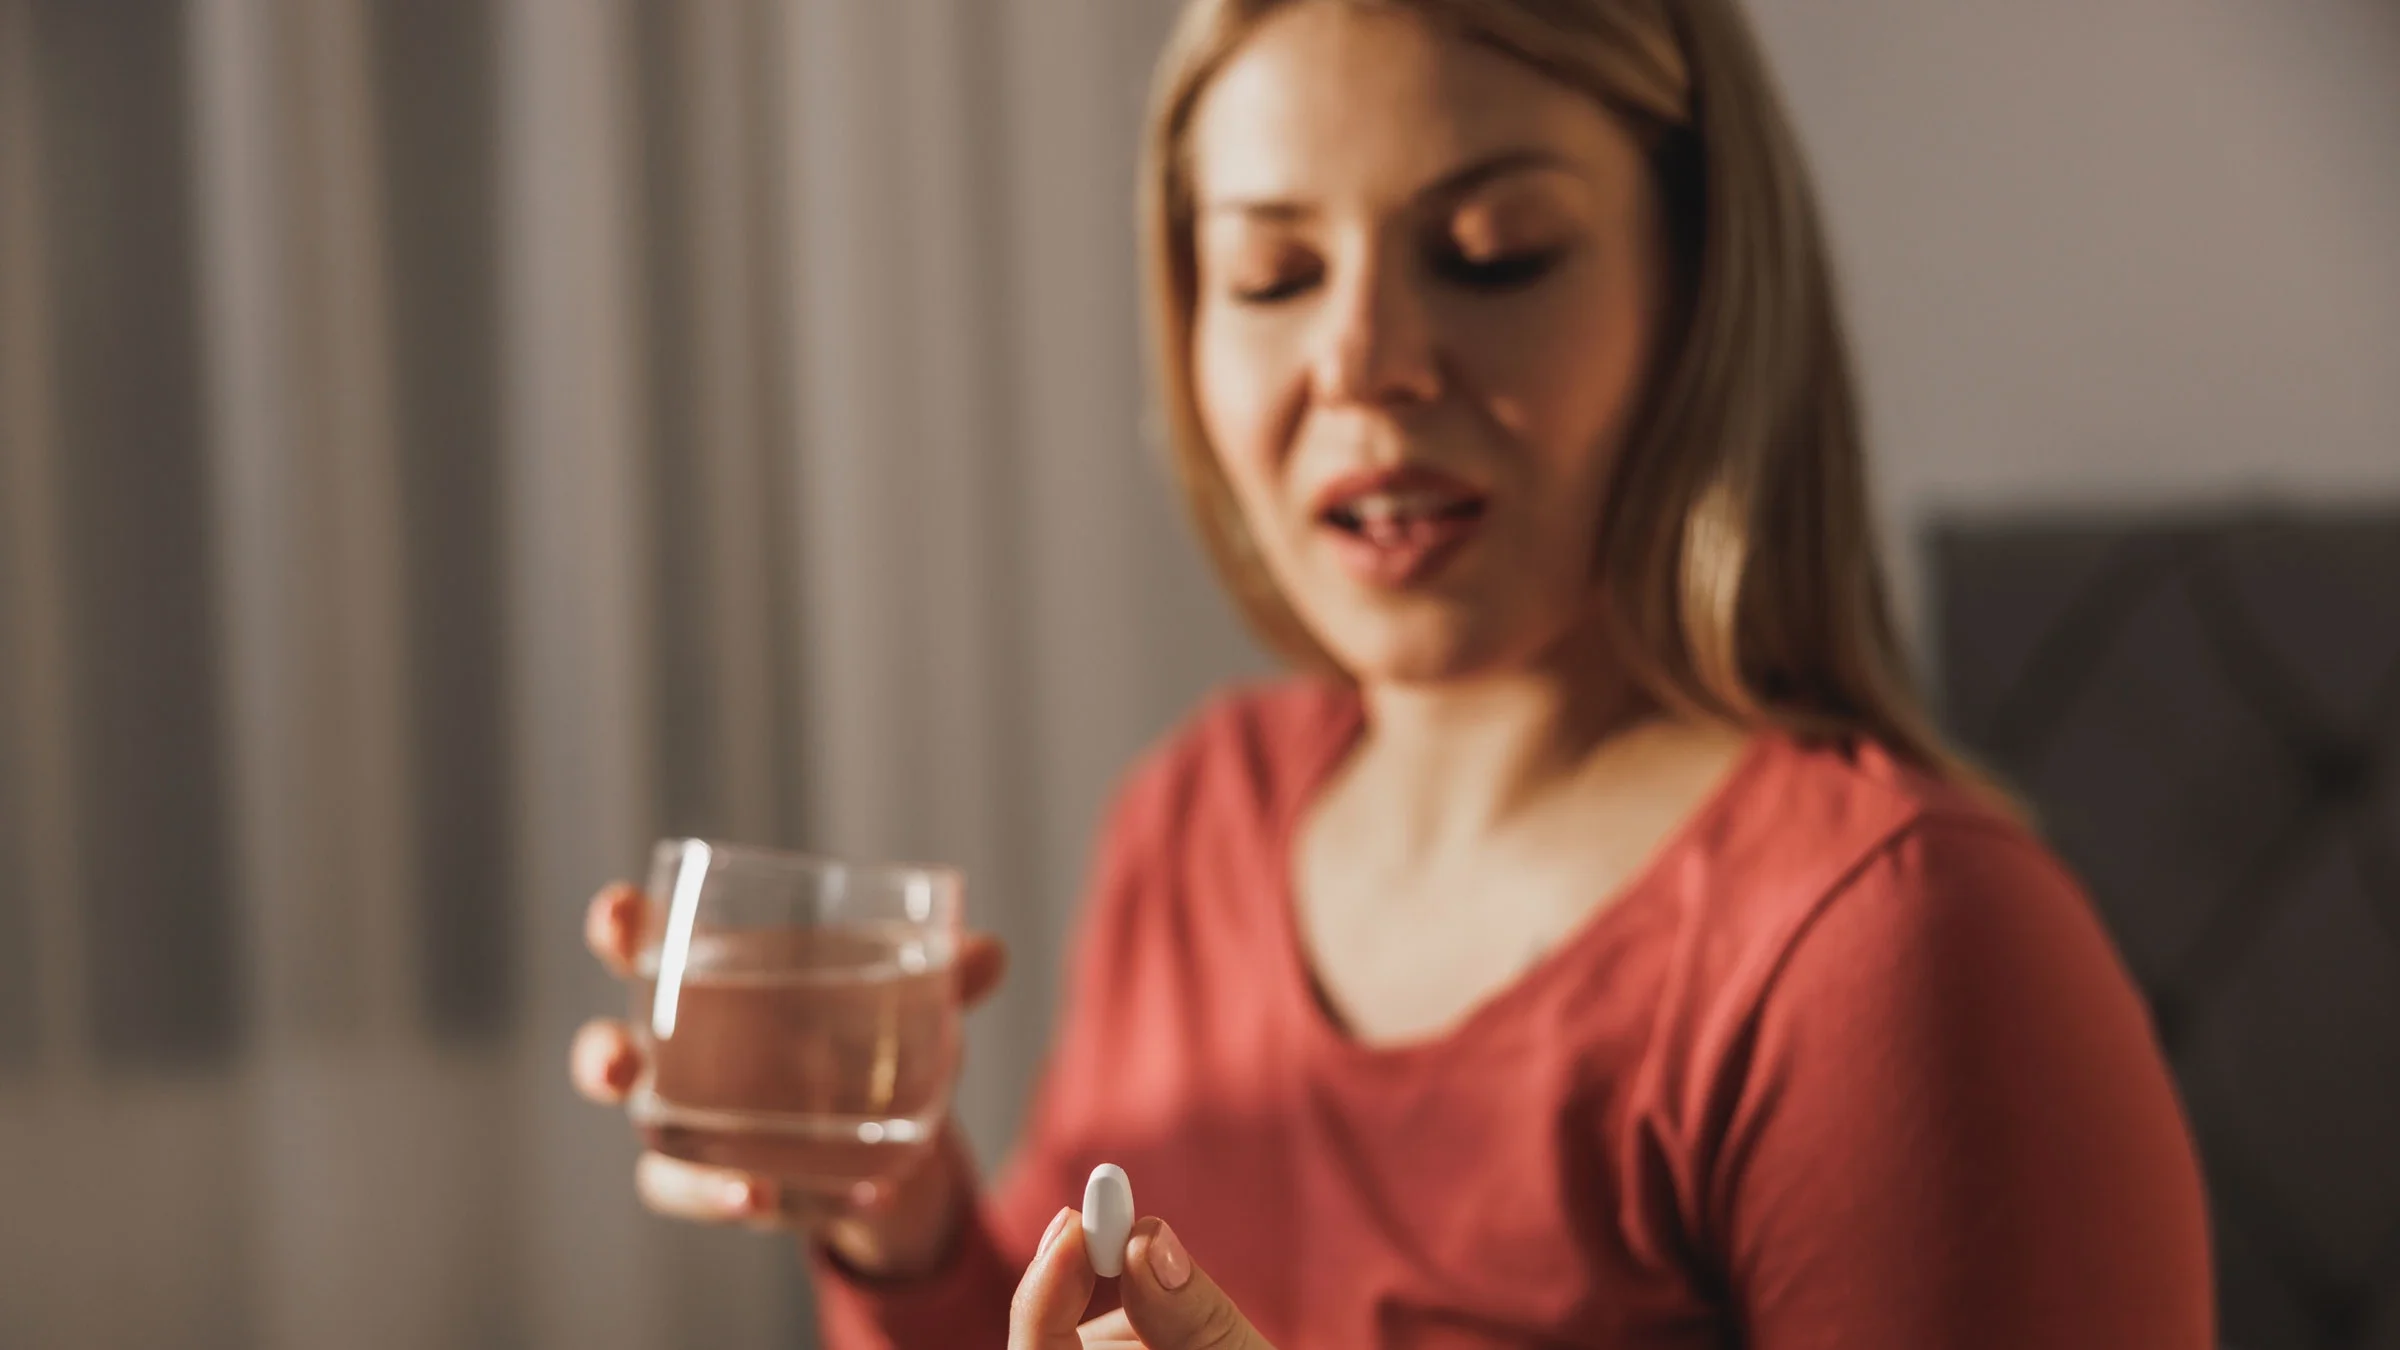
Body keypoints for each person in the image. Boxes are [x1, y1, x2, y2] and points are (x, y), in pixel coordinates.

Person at [570, 0, 2216, 1345]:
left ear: (1700, 292)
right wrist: (907, 1216)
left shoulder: (1890, 956)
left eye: (1493, 254)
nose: (1361, 361)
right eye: (1274, 275)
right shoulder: (1192, 825)